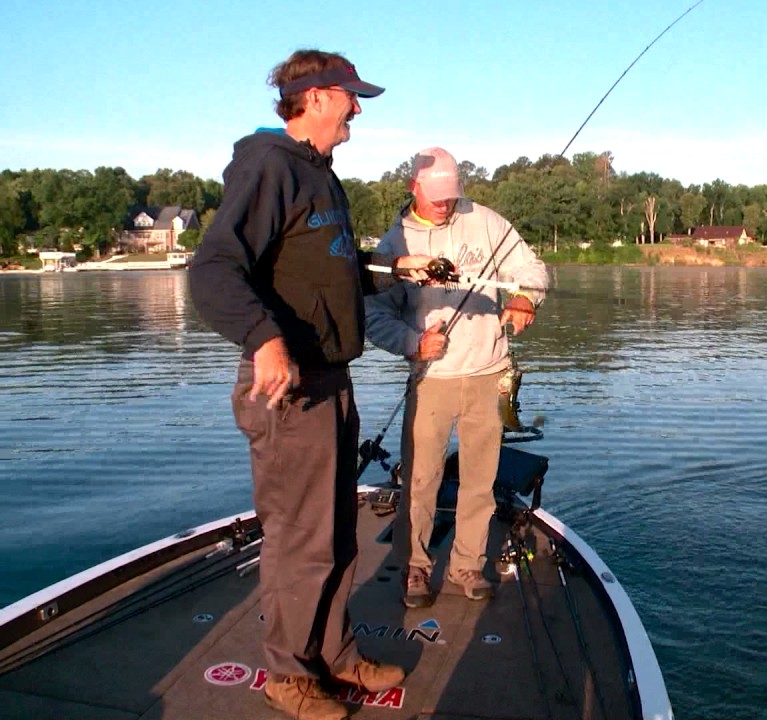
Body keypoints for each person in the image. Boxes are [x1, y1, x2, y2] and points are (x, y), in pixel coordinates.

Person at [189, 49, 440, 720]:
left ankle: (333, 653)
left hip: (331, 382)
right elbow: (213, 269)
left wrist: (390, 270)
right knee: (300, 537)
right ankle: (288, 675)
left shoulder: (320, 175)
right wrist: (263, 339)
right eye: (351, 96)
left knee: (335, 533)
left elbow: (321, 269)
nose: (358, 108)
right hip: (290, 388)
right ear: (319, 97)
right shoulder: (267, 166)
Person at [365, 146, 548, 607]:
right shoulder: (395, 242)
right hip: (432, 379)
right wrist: (412, 343)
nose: (445, 204)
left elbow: (531, 268)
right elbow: (373, 314)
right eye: (436, 196)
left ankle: (467, 564)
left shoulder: (485, 221)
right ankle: (415, 567)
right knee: (419, 480)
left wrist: (525, 297)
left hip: (489, 372)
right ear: (414, 188)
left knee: (480, 481)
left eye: (451, 194)